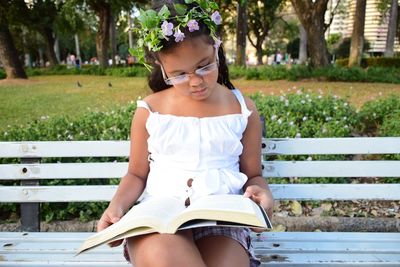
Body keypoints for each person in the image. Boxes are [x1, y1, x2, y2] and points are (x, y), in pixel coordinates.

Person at [97, 1, 274, 266]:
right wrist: (116, 209)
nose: (195, 81)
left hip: (221, 221)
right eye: (178, 74)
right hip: (157, 219)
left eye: (204, 66)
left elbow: (253, 175)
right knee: (166, 258)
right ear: (161, 66)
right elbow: (136, 174)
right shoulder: (150, 111)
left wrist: (262, 196)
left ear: (216, 48)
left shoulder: (241, 109)